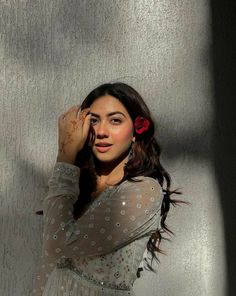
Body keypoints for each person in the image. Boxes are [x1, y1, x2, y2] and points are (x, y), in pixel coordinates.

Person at [32, 82, 182, 296]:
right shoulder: (72, 187)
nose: (101, 131)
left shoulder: (144, 191)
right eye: (93, 120)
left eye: (115, 120)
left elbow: (57, 244)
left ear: (135, 131)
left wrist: (65, 156)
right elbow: (48, 268)